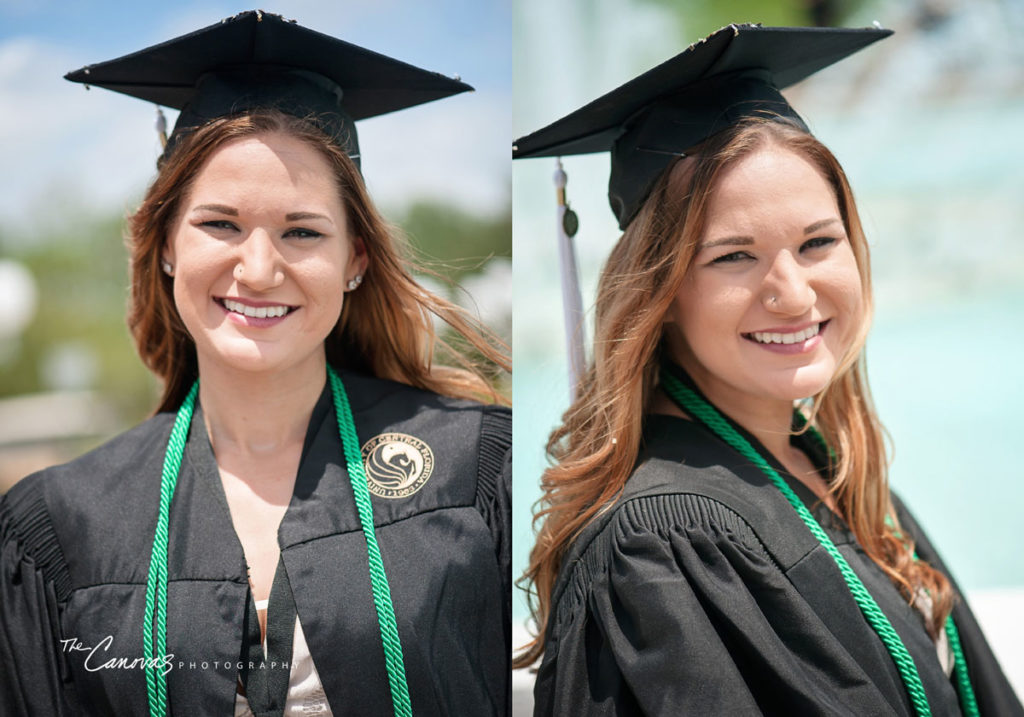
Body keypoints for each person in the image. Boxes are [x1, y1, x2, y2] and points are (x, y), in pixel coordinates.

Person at [0, 11, 511, 717]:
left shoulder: (474, 465)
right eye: (220, 224)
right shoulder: (65, 520)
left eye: (302, 231)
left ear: (354, 258)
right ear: (167, 243)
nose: (260, 268)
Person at [513, 24, 1022, 716]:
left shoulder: (836, 473)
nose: (794, 293)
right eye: (734, 256)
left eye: (818, 241)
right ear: (658, 293)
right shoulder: (656, 544)